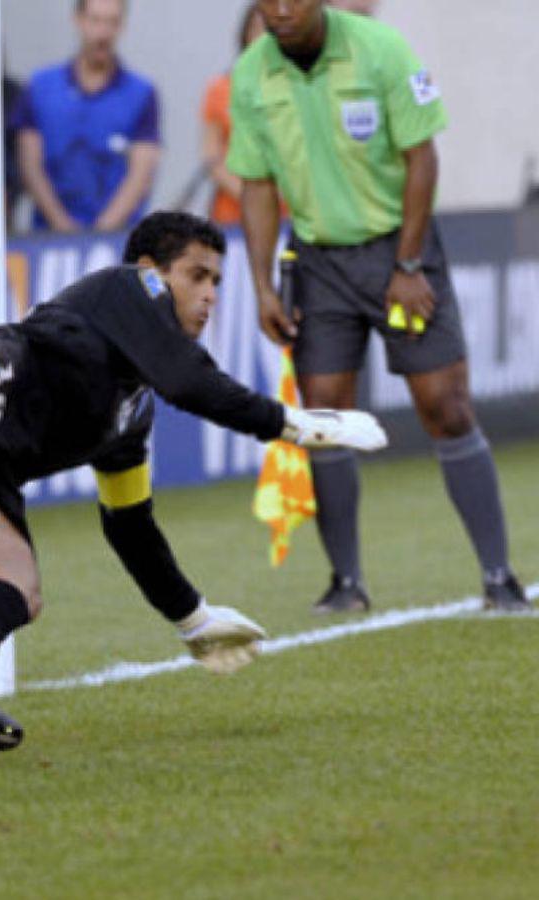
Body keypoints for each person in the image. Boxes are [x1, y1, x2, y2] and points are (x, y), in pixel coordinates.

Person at [0, 211, 388, 750]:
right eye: (197, 275)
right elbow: (190, 382)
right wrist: (292, 424)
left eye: (217, 281)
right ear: (152, 269)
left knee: (17, 589)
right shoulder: (126, 289)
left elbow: (130, 527)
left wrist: (191, 618)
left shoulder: (131, 417)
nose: (210, 294)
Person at [228, 1, 530, 612]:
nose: (281, 10)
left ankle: (499, 576)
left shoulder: (381, 50)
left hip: (400, 246)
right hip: (319, 260)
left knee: (445, 406)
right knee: (324, 414)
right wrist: (261, 285)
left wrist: (409, 264)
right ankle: (347, 583)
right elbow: (256, 186)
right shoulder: (251, 75)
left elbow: (424, 157)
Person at [15, 0, 160, 234]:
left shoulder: (141, 93)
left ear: (122, 26)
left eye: (111, 22)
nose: (103, 33)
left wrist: (101, 233)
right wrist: (62, 226)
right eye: (96, 20)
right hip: (48, 239)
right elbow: (29, 163)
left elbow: (142, 171)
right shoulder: (40, 87)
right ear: (78, 20)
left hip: (118, 238)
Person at [200, 2, 265, 226]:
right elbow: (212, 157)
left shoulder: (299, 89)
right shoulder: (221, 89)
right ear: (246, 34)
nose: (264, 38)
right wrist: (253, 199)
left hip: (288, 217)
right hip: (232, 215)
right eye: (258, 29)